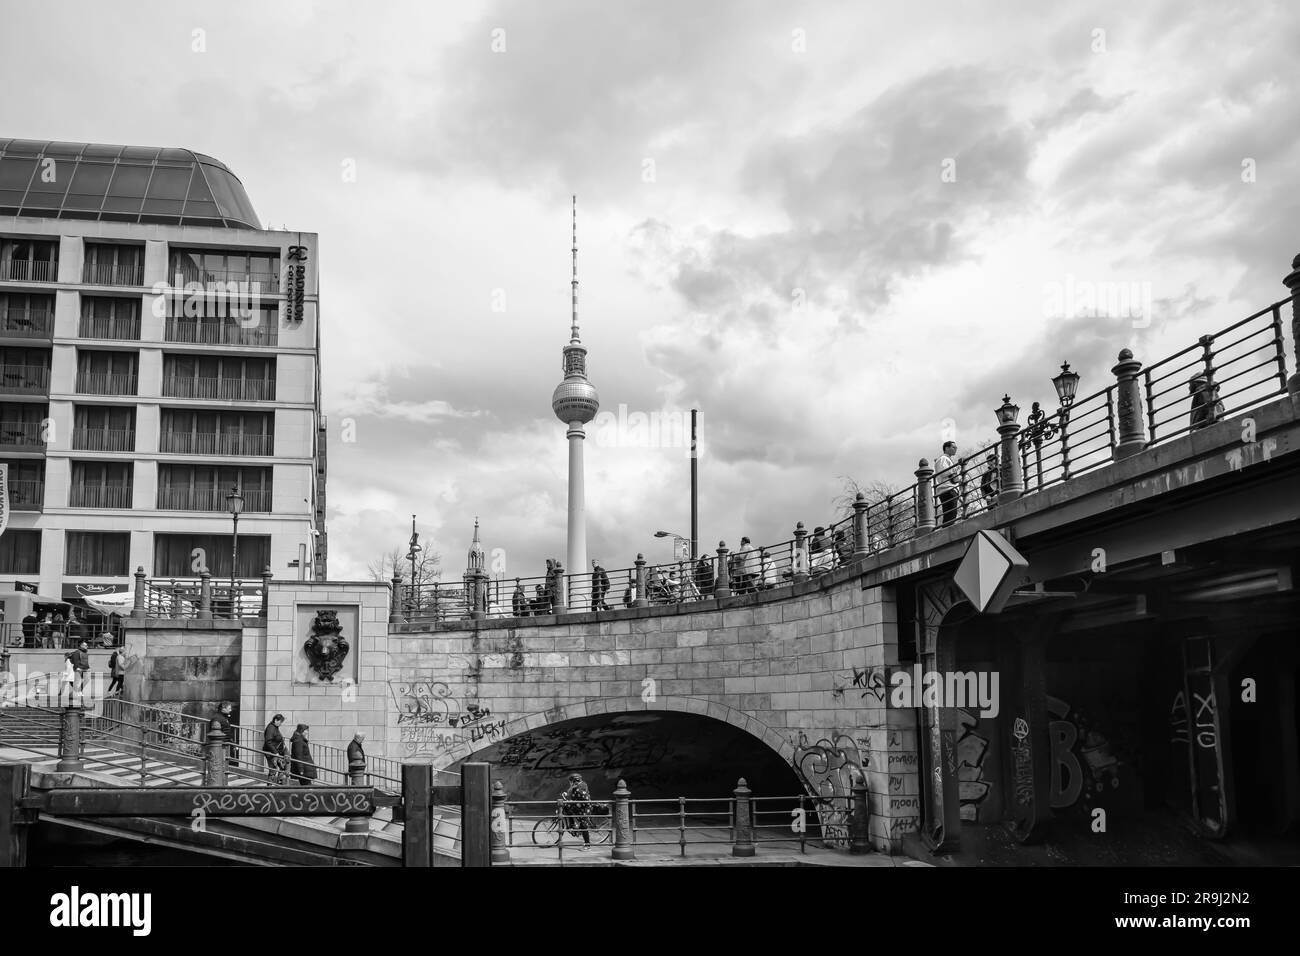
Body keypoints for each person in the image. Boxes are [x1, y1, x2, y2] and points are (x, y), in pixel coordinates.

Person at [559, 772, 593, 850]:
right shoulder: (576, 786)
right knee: (567, 808)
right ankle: (572, 825)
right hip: (578, 806)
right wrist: (566, 794)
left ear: (574, 781)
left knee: (583, 826)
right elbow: (571, 792)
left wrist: (578, 803)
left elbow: (586, 800)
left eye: (570, 781)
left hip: (585, 808)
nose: (569, 783)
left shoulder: (581, 788)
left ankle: (587, 845)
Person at [936, 441, 960, 527]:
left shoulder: (946, 459)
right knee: (951, 513)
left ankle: (946, 531)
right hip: (947, 489)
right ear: (946, 448)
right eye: (953, 447)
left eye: (956, 447)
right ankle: (946, 532)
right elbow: (943, 472)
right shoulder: (943, 459)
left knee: (951, 513)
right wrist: (956, 468)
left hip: (949, 489)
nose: (956, 449)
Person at [262, 713, 288, 784]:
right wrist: (275, 752)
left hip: (275, 752)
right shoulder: (271, 728)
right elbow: (268, 741)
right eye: (280, 722)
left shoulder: (275, 727)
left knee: (282, 767)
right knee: (273, 769)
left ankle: (279, 783)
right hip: (271, 753)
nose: (281, 724)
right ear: (276, 720)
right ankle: (270, 786)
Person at [212, 701, 237, 766]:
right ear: (223, 709)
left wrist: (232, 743)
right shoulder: (217, 718)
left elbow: (226, 731)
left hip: (224, 744)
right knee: (221, 763)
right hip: (221, 745)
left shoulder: (222, 718)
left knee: (223, 763)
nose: (231, 710)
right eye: (229, 708)